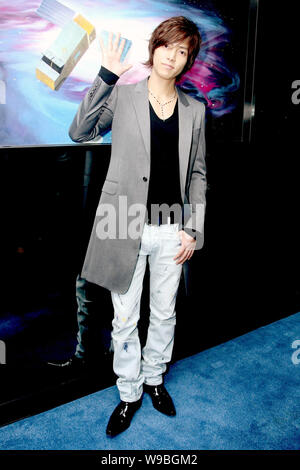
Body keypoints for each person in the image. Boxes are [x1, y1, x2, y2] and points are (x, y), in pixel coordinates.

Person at [69, 16, 207, 437]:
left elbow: (197, 173)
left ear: (188, 61)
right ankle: (128, 392)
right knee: (124, 318)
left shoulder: (195, 109)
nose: (173, 56)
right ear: (155, 48)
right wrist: (107, 75)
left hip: (172, 229)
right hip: (124, 224)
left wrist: (193, 229)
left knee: (164, 313)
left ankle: (154, 380)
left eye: (183, 51)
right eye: (168, 46)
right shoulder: (125, 97)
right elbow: (79, 132)